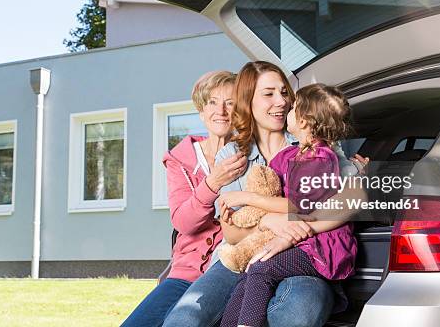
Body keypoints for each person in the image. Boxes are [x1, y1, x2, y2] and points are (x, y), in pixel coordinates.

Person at [162, 62, 368, 327]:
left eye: (284, 93)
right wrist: (266, 221)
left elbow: (353, 199)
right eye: (269, 94)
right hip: (241, 258)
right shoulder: (233, 156)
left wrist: (294, 224)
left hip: (303, 255)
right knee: (183, 320)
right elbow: (232, 233)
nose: (281, 101)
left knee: (296, 312)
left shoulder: (312, 140)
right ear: (248, 101)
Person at [219, 83, 358, 327]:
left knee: (261, 268)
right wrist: (243, 213)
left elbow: (297, 206)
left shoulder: (320, 159)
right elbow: (268, 185)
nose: (287, 110)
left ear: (303, 121)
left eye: (293, 107)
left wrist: (246, 199)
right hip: (300, 241)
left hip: (320, 248)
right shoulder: (290, 156)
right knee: (249, 273)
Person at [120, 71, 246, 327]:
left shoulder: (249, 155)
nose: (221, 110)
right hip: (185, 275)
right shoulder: (181, 159)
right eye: (212, 102)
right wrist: (212, 183)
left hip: (230, 270)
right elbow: (183, 222)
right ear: (201, 111)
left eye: (230, 102)